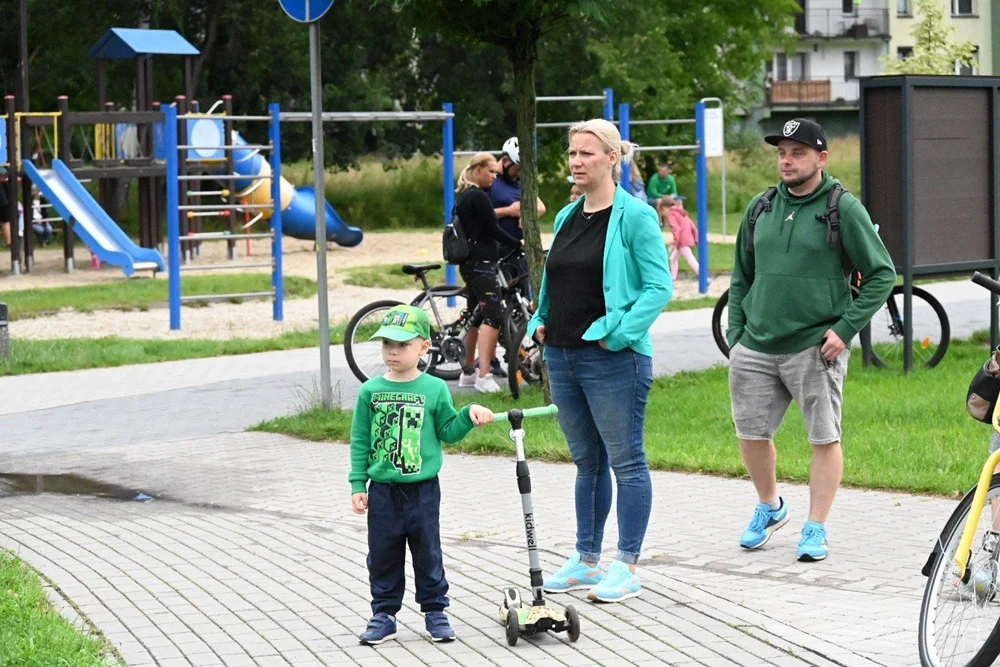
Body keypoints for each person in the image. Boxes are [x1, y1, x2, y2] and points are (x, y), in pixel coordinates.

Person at [727, 118, 895, 562]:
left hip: (814, 347)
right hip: (756, 346)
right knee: (750, 434)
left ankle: (815, 526)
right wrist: (736, 335)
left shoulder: (843, 207)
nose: (787, 160)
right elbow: (742, 275)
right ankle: (770, 506)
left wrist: (845, 329)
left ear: (821, 158)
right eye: (782, 152)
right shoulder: (760, 206)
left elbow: (882, 275)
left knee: (823, 438)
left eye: (798, 152)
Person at [528, 119, 672, 602]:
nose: (576, 161)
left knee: (626, 462)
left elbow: (658, 288)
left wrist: (618, 334)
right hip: (563, 356)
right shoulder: (569, 215)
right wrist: (538, 323)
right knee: (587, 463)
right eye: (571, 153)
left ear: (613, 158)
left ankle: (627, 565)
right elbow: (553, 284)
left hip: (613, 361)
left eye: (587, 153)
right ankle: (585, 560)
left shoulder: (635, 216)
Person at [349, 304, 494, 645]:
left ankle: (435, 611)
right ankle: (384, 614)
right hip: (383, 490)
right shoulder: (369, 392)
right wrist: (358, 483)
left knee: (428, 551)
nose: (393, 351)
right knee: (382, 553)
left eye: (402, 344)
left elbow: (448, 430)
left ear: (424, 347)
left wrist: (467, 415)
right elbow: (360, 440)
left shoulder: (434, 389)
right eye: (387, 345)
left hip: (423, 490)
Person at [452, 153, 521, 393]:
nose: (494, 176)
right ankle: (484, 375)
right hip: (481, 264)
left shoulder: (464, 196)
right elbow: (492, 229)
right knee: (493, 314)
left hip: (471, 263)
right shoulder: (478, 197)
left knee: (475, 315)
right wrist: (517, 243)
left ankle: (468, 371)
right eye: (491, 171)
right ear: (478, 169)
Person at [489, 136, 547, 255]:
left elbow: (540, 207)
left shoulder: (520, 181)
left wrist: (526, 215)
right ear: (505, 161)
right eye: (517, 168)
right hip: (497, 253)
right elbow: (476, 217)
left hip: (520, 252)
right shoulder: (489, 181)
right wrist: (507, 211)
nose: (520, 173)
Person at [660, 195, 699, 279]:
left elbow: (676, 230)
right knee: (673, 258)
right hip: (685, 239)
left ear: (665, 207)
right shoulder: (680, 211)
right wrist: (695, 236)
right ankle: (672, 277)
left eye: (662, 210)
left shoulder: (671, 214)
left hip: (682, 241)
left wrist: (675, 243)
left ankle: (704, 276)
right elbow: (691, 224)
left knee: (690, 259)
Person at [0, 169, 10, 248]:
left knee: (6, 222)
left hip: (4, 204)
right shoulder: (6, 183)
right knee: (6, 222)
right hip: (6, 204)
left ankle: (9, 242)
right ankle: (9, 242)